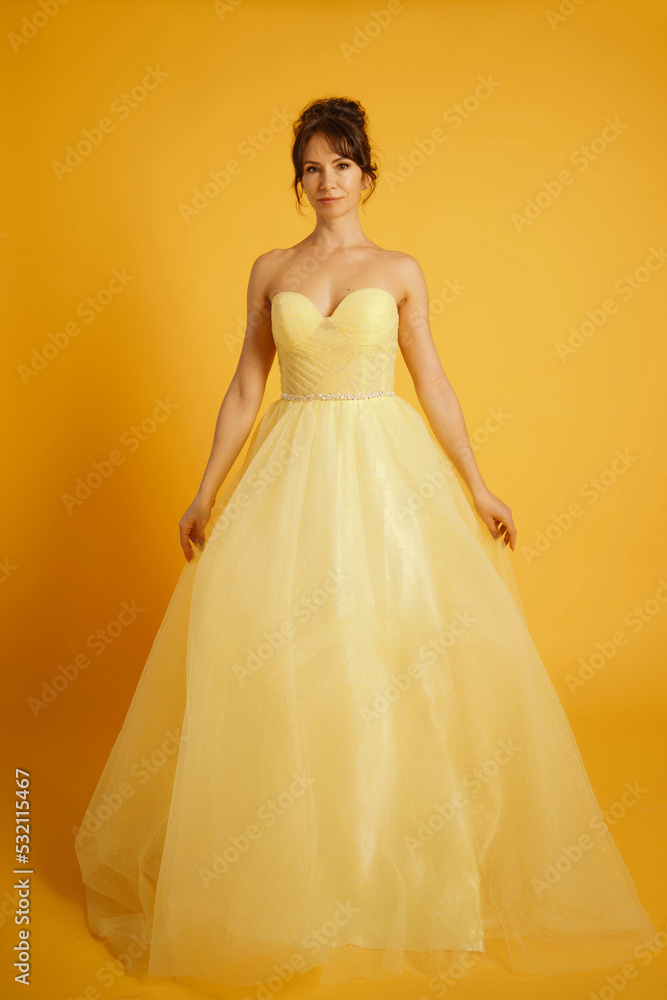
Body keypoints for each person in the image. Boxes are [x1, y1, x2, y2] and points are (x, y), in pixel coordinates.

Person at [75, 96, 656, 989]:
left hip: (385, 480)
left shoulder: (399, 269)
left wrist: (475, 481)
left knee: (393, 659)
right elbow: (245, 388)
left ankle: (404, 879)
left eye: (341, 164)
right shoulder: (270, 269)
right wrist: (203, 490)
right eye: (310, 167)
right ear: (298, 181)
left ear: (367, 174)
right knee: (279, 662)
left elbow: (432, 382)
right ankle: (288, 884)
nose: (326, 181)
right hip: (290, 472)